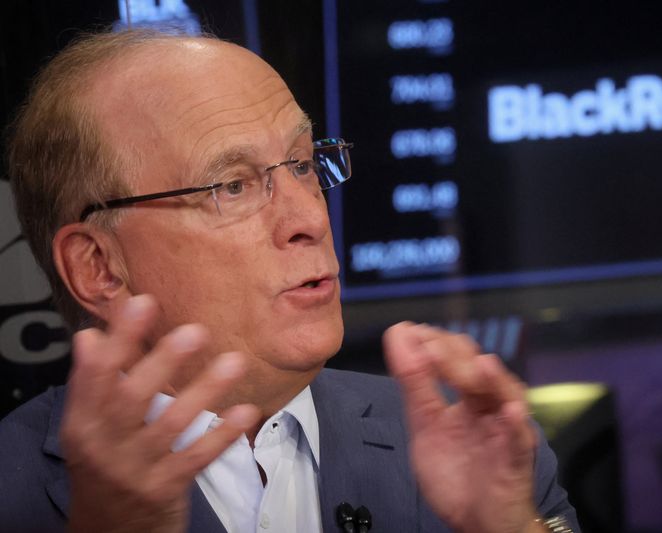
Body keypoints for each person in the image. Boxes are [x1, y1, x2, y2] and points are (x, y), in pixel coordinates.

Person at [0, 29, 580, 533]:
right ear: (98, 266)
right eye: (231, 185)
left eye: (304, 165)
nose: (309, 217)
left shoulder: (475, 443)